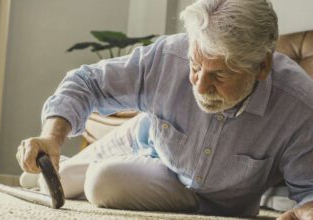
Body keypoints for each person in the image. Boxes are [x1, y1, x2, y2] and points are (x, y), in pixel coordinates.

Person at [16, 0, 313, 218]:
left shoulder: (298, 105)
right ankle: (60, 172)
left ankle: (73, 174)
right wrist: (52, 137)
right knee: (46, 179)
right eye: (195, 67)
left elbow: (309, 190)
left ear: (262, 67)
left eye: (220, 75)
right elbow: (87, 82)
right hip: (144, 137)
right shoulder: (169, 55)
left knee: (102, 182)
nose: (199, 86)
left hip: (203, 197)